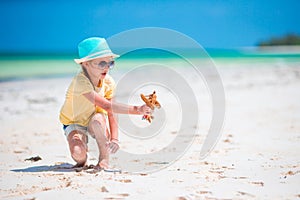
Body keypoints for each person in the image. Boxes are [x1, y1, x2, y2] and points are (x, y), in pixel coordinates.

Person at [59, 37, 151, 170]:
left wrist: (114, 138)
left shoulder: (108, 82)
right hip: (74, 121)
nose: (107, 67)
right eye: (102, 63)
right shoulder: (81, 81)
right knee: (78, 153)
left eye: (110, 63)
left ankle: (103, 159)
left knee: (97, 120)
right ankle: (82, 159)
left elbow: (111, 110)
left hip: (95, 120)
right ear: (85, 64)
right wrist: (137, 109)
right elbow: (106, 105)